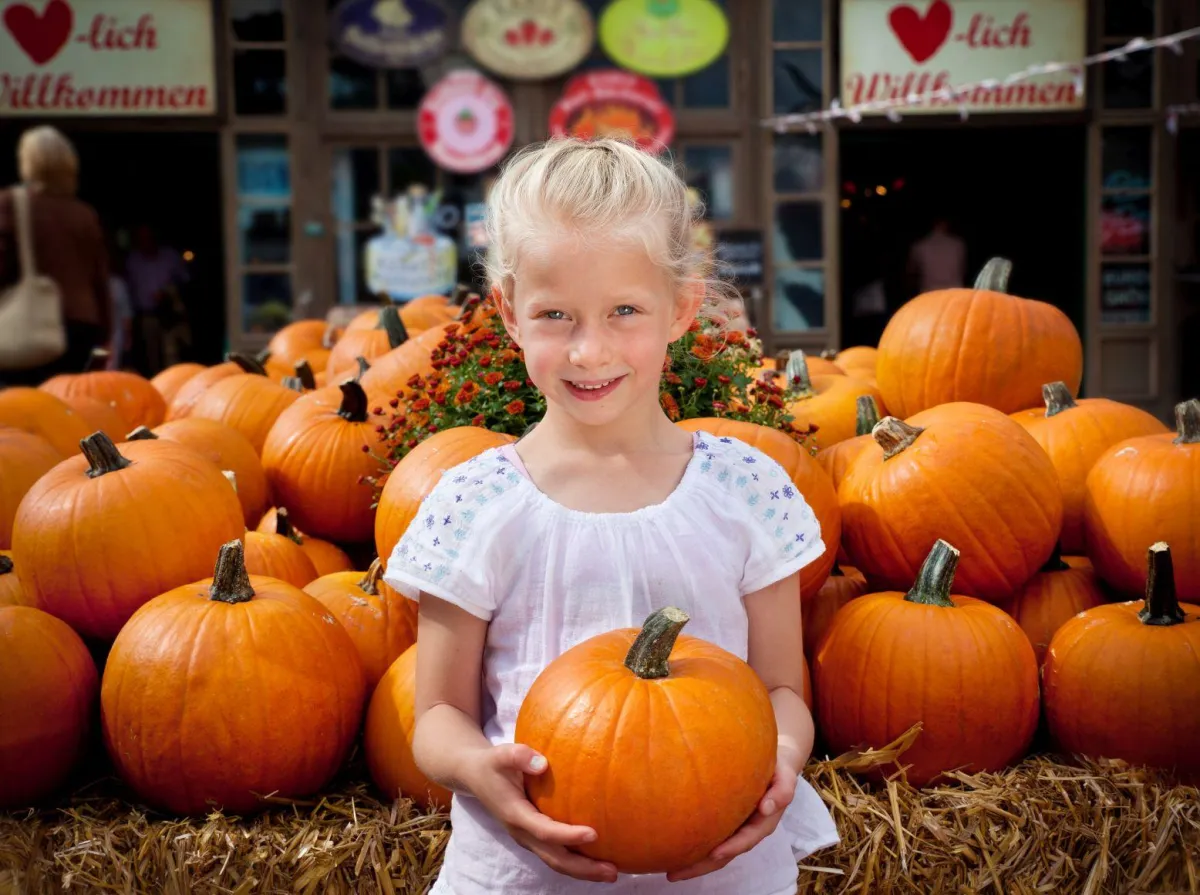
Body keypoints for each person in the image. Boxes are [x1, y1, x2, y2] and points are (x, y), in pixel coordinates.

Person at [382, 138, 839, 895]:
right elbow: (435, 713)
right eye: (556, 315)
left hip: (722, 873)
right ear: (509, 314)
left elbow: (783, 689)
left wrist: (784, 757)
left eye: (624, 310)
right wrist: (476, 767)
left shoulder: (748, 491)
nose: (590, 351)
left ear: (682, 308)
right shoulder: (475, 506)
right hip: (524, 873)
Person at [0, 126, 110, 385]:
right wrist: (105, 331)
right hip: (83, 325)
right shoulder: (85, 214)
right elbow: (100, 277)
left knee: (21, 406)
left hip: (29, 322)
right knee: (67, 406)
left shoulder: (11, 204)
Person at [125, 222, 190, 374]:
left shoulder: (170, 257)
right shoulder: (133, 261)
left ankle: (174, 380)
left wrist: (169, 292)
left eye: (148, 238)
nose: (145, 242)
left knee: (172, 354)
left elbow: (185, 280)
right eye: (141, 239)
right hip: (145, 315)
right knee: (150, 355)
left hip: (169, 315)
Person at [906, 214, 967, 295]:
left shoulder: (919, 245)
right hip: (954, 293)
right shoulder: (958, 244)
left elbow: (911, 272)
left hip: (929, 292)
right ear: (946, 224)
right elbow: (963, 269)